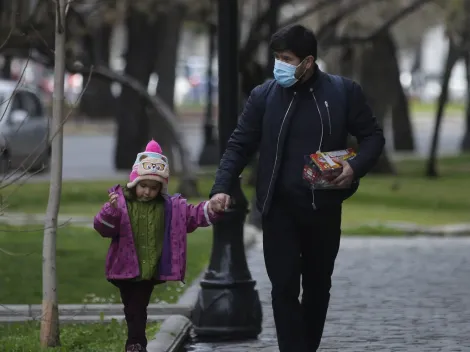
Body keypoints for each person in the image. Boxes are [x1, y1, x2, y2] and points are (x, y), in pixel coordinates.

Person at [209, 24, 385, 351]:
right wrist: (222, 187)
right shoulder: (264, 96)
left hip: (324, 209)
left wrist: (354, 167)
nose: (280, 65)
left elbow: (373, 137)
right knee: (284, 288)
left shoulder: (343, 92)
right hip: (278, 210)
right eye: (277, 58)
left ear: (308, 61)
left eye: (287, 58)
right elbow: (238, 146)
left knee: (318, 287)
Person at [93, 140, 219, 352]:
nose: (147, 192)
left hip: (148, 270)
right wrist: (110, 211)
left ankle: (135, 344)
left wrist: (211, 208)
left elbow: (193, 215)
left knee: (138, 307)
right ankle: (136, 342)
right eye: (143, 186)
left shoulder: (171, 208)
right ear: (134, 183)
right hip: (124, 267)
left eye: (153, 188)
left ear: (161, 187)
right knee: (131, 306)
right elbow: (103, 228)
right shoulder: (121, 203)